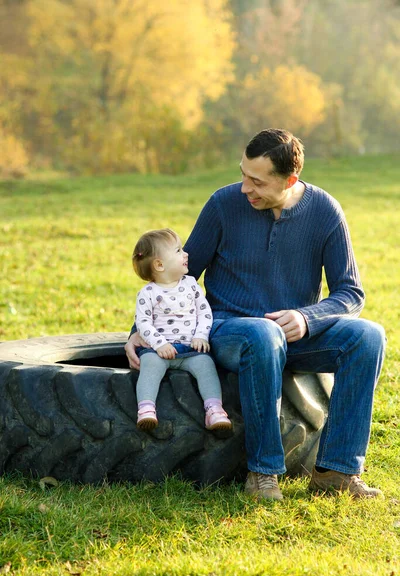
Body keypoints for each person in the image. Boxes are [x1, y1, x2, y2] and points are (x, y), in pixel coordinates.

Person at [126, 128, 386, 501]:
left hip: (294, 336)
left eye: (257, 181)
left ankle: (337, 471)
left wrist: (307, 318)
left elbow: (350, 292)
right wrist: (140, 330)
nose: (245, 188)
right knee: (264, 334)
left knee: (369, 337)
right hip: (230, 331)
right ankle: (263, 473)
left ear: (290, 180)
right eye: (243, 174)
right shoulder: (223, 204)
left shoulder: (326, 211)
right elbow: (176, 273)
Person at [131, 228, 232, 432]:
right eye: (178, 251)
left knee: (206, 365)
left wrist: (200, 336)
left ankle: (214, 410)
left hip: (189, 349)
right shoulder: (148, 293)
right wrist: (160, 344)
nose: (186, 254)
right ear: (159, 265)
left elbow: (204, 313)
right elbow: (143, 323)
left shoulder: (191, 285)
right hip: (158, 351)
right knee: (149, 366)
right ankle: (146, 409)